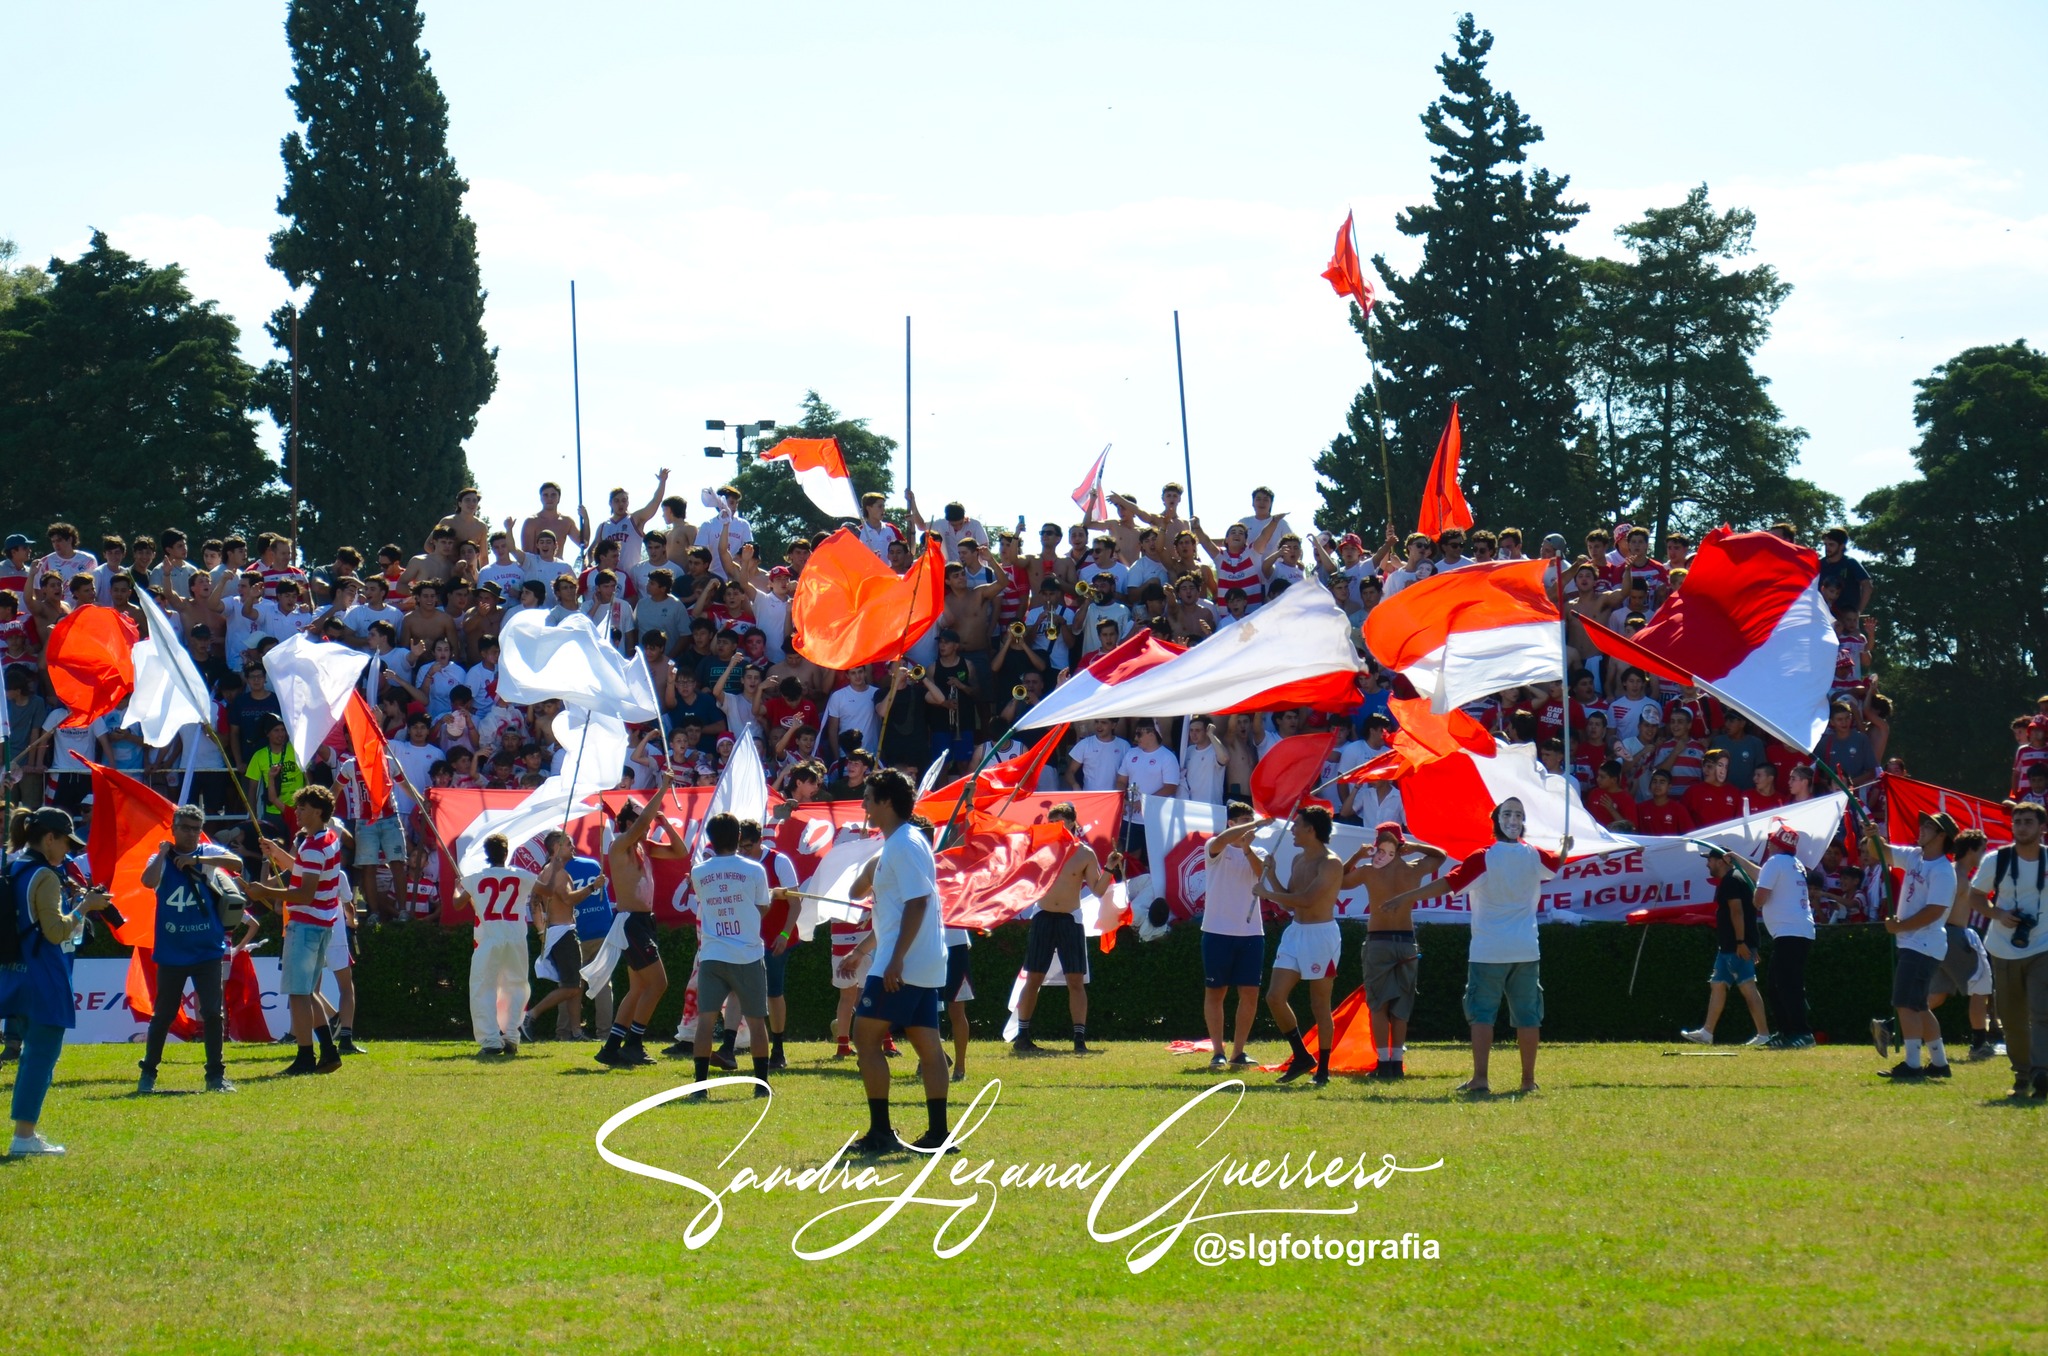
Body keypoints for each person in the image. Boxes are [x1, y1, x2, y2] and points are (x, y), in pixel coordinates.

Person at [1382, 799, 1566, 1095]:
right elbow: (1556, 863)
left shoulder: (1483, 857)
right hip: (1526, 949)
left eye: (1517, 814)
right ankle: (1527, 1081)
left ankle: (1481, 1078)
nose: (1513, 819)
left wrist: (1406, 898)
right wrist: (1566, 847)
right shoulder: (1535, 856)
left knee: (1482, 1015)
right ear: (1499, 820)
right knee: (1528, 1016)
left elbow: (1447, 884)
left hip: (1488, 950)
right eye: (1510, 814)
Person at [842, 770, 953, 1154]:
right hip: (923, 961)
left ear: (886, 802)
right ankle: (939, 1134)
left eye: (869, 798)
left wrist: (895, 961)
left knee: (864, 1038)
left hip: (901, 964)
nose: (864, 805)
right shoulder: (907, 841)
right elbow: (890, 909)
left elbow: (918, 902)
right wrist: (866, 950)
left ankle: (881, 1133)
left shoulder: (902, 845)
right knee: (929, 1046)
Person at [3, 808, 113, 1156]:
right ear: (49, 838)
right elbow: (55, 932)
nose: (68, 850)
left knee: (30, 1056)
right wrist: (86, 906)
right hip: (45, 976)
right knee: (41, 1058)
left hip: (17, 974)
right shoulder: (46, 876)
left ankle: (24, 1134)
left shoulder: (14, 866)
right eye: (66, 841)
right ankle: (24, 1137)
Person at [136, 806, 244, 1093]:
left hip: (206, 949)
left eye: (196, 828)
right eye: (185, 827)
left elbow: (237, 864)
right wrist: (163, 853)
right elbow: (147, 881)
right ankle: (148, 1073)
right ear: (173, 827)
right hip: (172, 951)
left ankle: (215, 1077)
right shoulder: (161, 857)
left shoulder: (206, 853)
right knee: (163, 1014)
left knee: (212, 1013)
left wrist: (195, 857)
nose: (191, 833)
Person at [240, 785, 347, 1076]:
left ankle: (306, 1057)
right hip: (322, 923)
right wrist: (276, 853)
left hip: (306, 924)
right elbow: (302, 870)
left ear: (318, 811)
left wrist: (265, 890)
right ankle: (327, 1051)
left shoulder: (312, 846)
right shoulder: (328, 838)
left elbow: (304, 893)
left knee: (299, 995)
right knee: (308, 992)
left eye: (302, 808)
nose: (297, 812)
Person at [1342, 823, 1449, 1078]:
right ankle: (1396, 1064)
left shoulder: (1368, 870)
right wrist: (1417, 847)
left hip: (1378, 941)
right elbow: (1440, 856)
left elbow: (1340, 880)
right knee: (1401, 1005)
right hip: (1405, 940)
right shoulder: (1413, 869)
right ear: (1402, 845)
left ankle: (1383, 1063)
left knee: (1379, 1006)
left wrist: (1357, 855)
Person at [1013, 803, 1120, 1054]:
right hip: (1043, 916)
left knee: (1076, 980)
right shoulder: (1042, 849)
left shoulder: (1084, 853)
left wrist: (1110, 867)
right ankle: (1023, 1035)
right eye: (1052, 823)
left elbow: (1098, 889)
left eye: (1061, 822)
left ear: (1073, 823)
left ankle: (1079, 1039)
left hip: (1070, 919)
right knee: (1034, 977)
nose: (1056, 827)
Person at [1252, 804, 1344, 1086]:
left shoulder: (1331, 863)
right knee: (1274, 996)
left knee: (1320, 1004)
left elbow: (1307, 899)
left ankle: (1324, 1069)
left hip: (1321, 936)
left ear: (1311, 830)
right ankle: (1302, 1056)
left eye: (1297, 825)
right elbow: (1287, 898)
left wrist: (1266, 890)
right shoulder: (1298, 860)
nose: (1292, 830)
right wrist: (1272, 874)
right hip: (1296, 932)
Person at [682, 813, 773, 1098]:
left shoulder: (698, 872)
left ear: (710, 839)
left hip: (712, 953)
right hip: (746, 953)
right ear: (737, 838)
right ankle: (761, 1086)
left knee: (706, 1021)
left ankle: (700, 1087)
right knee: (758, 1021)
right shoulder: (755, 869)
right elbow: (763, 908)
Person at [595, 787, 687, 1068]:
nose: (646, 825)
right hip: (631, 922)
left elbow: (680, 851)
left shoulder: (643, 846)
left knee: (637, 990)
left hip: (644, 922)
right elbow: (641, 823)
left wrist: (664, 821)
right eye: (639, 820)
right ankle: (633, 1043)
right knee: (658, 984)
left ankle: (611, 1048)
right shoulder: (620, 844)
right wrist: (662, 788)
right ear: (625, 823)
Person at [1969, 800, 2048, 1099]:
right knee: (2011, 1017)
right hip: (2003, 947)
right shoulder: (1996, 860)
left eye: (2028, 822)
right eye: (2018, 822)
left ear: (2042, 828)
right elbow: (1976, 897)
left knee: (2042, 1011)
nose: (2022, 827)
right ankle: (2023, 1073)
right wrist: (1998, 914)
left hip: (2043, 947)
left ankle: (2042, 1070)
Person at [1871, 812, 1959, 1080]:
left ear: (1942, 836)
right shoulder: (1914, 856)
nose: (1921, 829)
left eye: (1929, 826)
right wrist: (1872, 835)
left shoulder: (1944, 870)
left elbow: (1935, 911)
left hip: (1922, 944)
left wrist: (1900, 926)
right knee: (1919, 1006)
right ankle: (1939, 1063)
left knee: (1904, 1003)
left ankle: (1911, 1065)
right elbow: (1881, 853)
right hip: (1917, 943)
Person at [1680, 848, 1773, 1047]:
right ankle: (1707, 1032)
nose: (1707, 864)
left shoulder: (1731, 881)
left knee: (1748, 987)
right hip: (1732, 945)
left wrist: (1741, 943)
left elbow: (1737, 912)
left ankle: (1764, 1034)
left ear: (1721, 861)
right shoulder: (1738, 878)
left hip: (1735, 946)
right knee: (1718, 984)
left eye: (1710, 860)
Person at [1198, 803, 1267, 1071]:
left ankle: (1239, 1051)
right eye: (1242, 821)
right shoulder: (1216, 847)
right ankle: (1218, 1051)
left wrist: (1248, 846)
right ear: (1230, 823)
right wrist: (1253, 826)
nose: (1249, 825)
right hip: (1216, 930)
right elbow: (1223, 840)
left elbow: (1263, 874)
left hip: (1251, 932)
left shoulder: (1258, 851)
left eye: (1251, 820)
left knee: (1249, 993)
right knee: (1215, 992)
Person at [521, 830, 605, 1042]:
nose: (573, 847)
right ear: (556, 848)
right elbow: (569, 899)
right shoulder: (557, 872)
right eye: (568, 844)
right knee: (571, 986)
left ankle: (576, 1032)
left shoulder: (546, 871)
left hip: (558, 932)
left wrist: (541, 931)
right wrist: (593, 886)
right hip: (563, 933)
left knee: (573, 984)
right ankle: (531, 1016)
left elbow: (534, 903)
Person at [1927, 830, 1998, 1061]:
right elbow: (1942, 908)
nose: (1984, 854)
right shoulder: (1956, 876)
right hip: (1953, 935)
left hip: (1945, 937)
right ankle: (1979, 1044)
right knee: (1981, 986)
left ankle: (1891, 1027)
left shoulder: (1961, 875)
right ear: (1971, 850)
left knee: (1936, 995)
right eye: (1982, 849)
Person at [1752, 823, 1816, 1049]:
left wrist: (1755, 897)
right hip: (1799, 929)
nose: (1768, 844)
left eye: (1770, 841)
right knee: (1778, 983)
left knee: (1786, 984)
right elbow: (1764, 876)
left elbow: (1759, 899)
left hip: (1789, 931)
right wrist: (1738, 860)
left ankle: (1801, 1032)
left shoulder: (1773, 862)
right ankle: (1787, 1032)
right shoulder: (1793, 863)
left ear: (1775, 844)